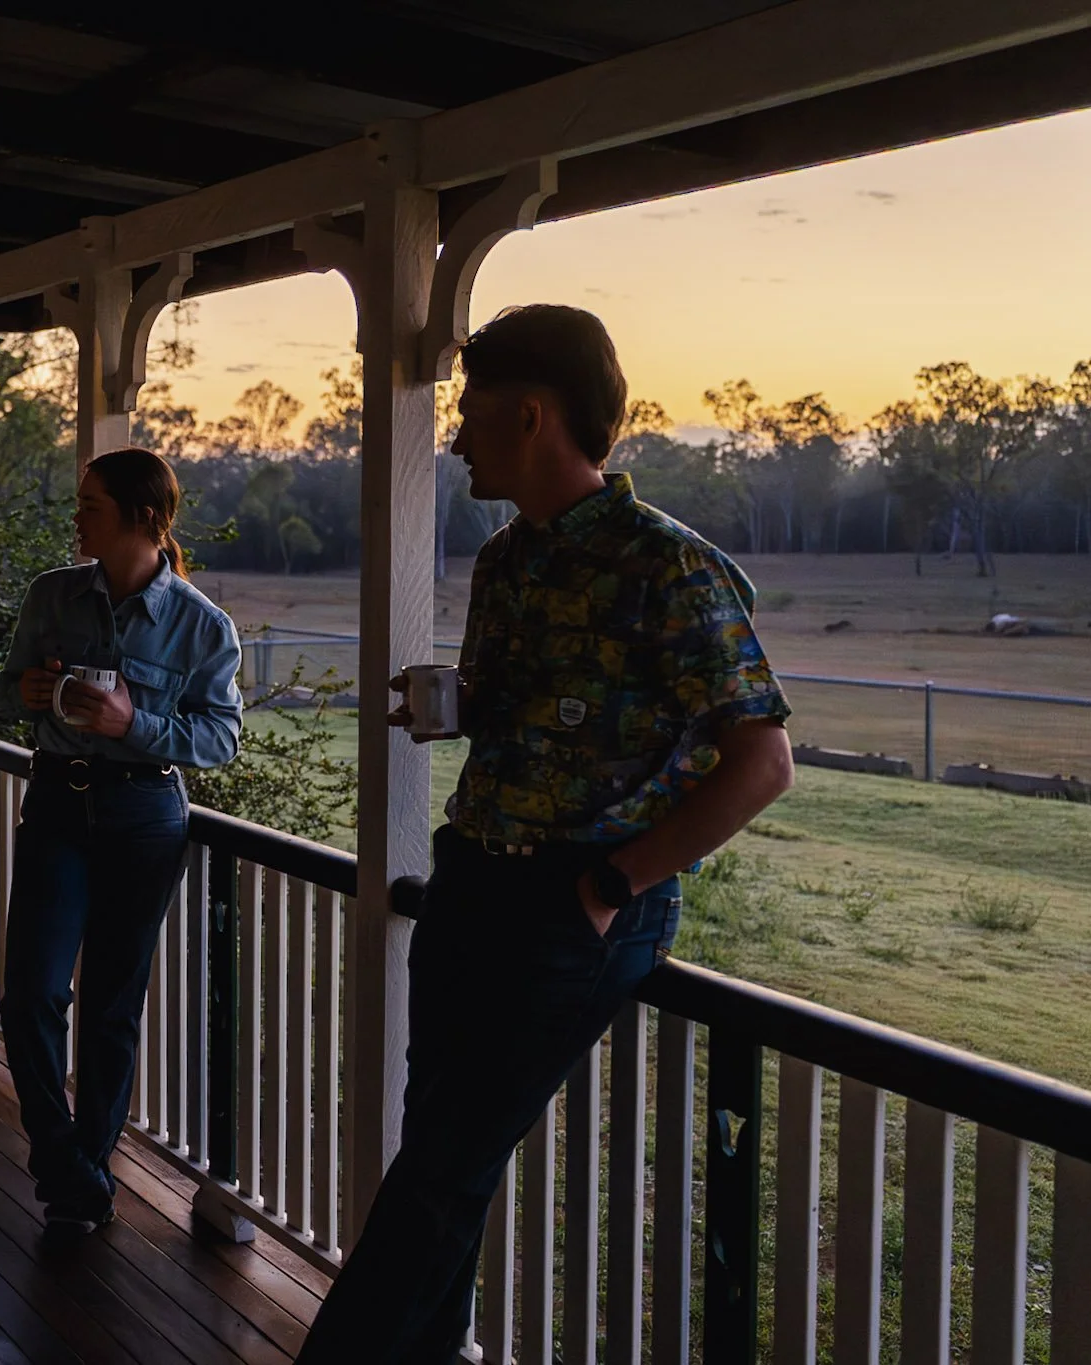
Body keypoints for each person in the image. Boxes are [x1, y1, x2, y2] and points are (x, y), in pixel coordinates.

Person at [295, 306, 796, 1363]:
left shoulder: (668, 569)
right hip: (471, 877)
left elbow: (761, 762)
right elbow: (531, 708)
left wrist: (613, 884)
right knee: (441, 1158)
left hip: (573, 908)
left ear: (529, 414)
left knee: (438, 1167)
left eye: (470, 413)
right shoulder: (506, 560)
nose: (458, 434)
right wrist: (460, 705)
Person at [0, 447, 244, 1233]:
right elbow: (9, 688)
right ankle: (66, 1164)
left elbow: (221, 736)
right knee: (31, 992)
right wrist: (30, 692)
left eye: (92, 505)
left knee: (110, 1006)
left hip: (145, 817)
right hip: (59, 805)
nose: (77, 517)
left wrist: (134, 723)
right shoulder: (52, 596)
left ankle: (87, 1175)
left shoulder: (203, 627)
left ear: (143, 518)